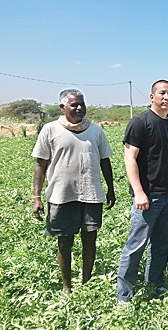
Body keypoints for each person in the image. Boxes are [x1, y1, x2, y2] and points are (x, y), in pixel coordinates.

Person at [32, 89, 115, 293]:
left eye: (82, 104)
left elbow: (105, 161)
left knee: (90, 239)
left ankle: (86, 281)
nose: (79, 108)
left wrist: (110, 189)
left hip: (92, 194)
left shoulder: (96, 130)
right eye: (74, 105)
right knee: (65, 241)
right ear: (63, 107)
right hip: (62, 195)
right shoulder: (50, 130)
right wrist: (36, 197)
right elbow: (40, 165)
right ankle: (66, 286)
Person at [116, 80, 168, 302]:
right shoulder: (140, 122)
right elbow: (130, 158)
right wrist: (139, 192)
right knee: (136, 246)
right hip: (148, 196)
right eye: (162, 93)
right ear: (152, 96)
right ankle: (124, 295)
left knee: (163, 244)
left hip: (167, 195)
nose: (166, 97)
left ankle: (155, 282)